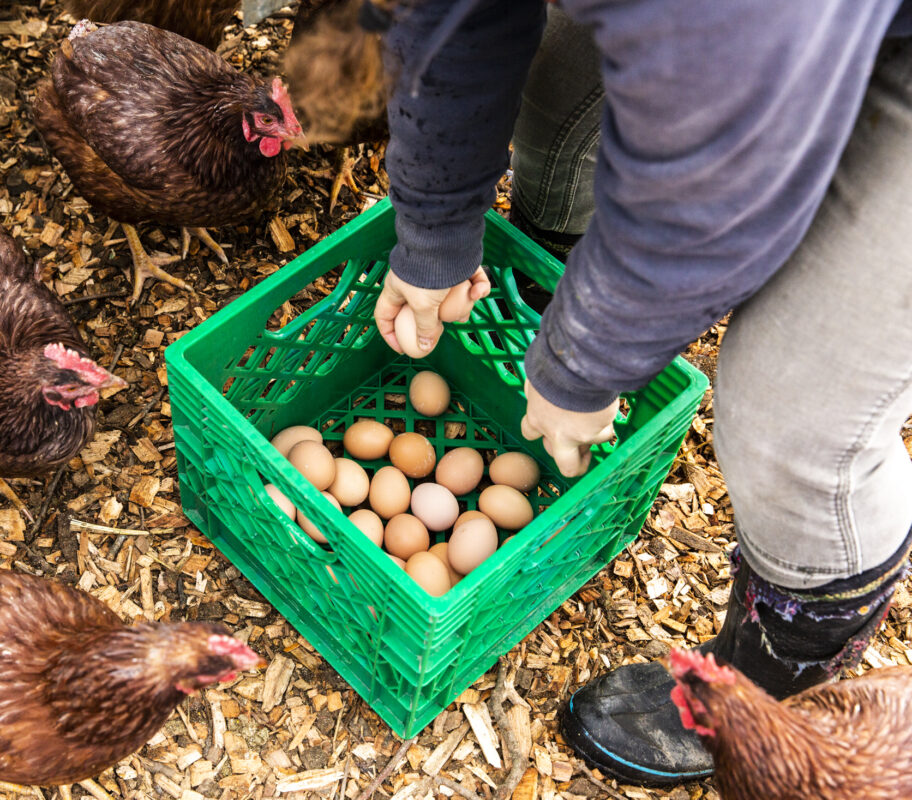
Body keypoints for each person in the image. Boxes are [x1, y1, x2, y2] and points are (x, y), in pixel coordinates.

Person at [371, 0, 912, 786]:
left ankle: (767, 698)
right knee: (556, 130)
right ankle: (542, 308)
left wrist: (586, 365)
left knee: (794, 416)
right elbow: (450, 18)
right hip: (756, 43)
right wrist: (436, 231)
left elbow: (721, 171)